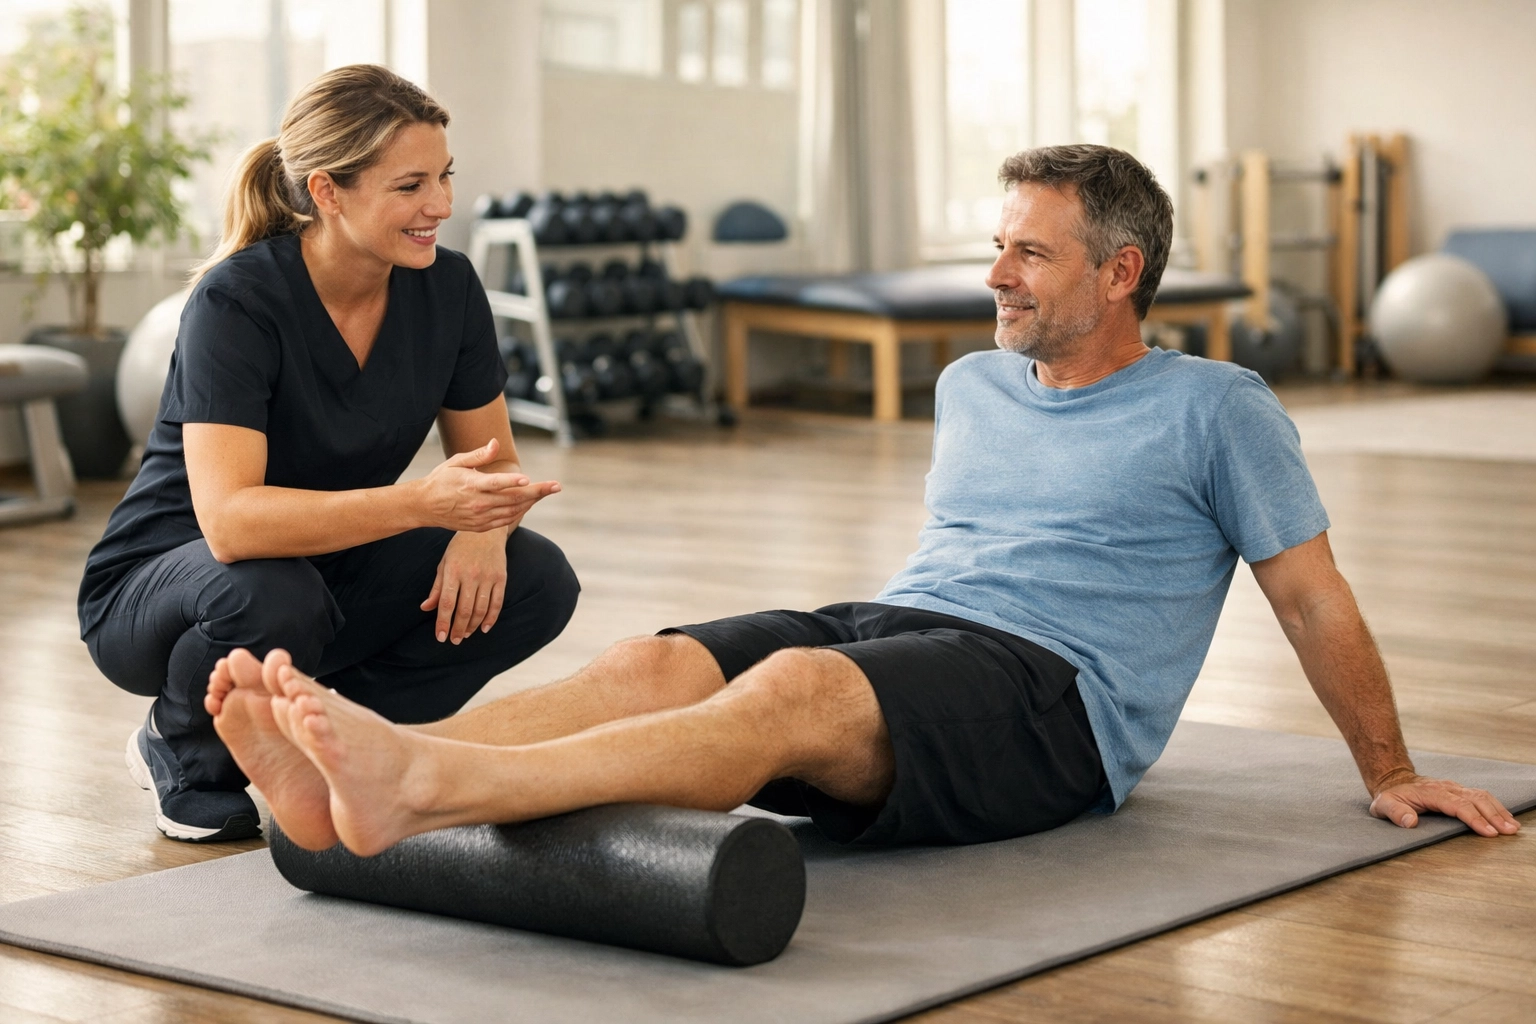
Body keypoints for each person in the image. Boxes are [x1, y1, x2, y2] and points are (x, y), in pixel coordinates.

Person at [207, 144, 1519, 857]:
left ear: (1121, 274)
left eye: (1029, 250)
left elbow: (1310, 595)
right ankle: (348, 776)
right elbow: (949, 577)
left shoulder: (1218, 408)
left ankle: (424, 785)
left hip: (1062, 706)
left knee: (786, 697)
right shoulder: (971, 386)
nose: (995, 272)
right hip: (911, 627)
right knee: (658, 658)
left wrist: (1391, 771)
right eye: (996, 241)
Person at [78, 65, 579, 843]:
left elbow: (494, 460)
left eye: (445, 177)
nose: (440, 206)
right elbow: (232, 528)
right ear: (327, 192)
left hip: (323, 561)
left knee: (536, 580)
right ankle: (181, 744)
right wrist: (423, 504)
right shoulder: (236, 303)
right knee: (273, 593)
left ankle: (322, 739)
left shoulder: (447, 287)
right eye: (410, 185)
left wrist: (483, 530)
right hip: (166, 584)